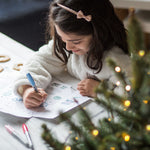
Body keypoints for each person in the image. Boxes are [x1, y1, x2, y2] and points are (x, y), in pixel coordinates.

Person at [13, 0, 131, 109]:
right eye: (62, 39)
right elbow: (39, 61)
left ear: (99, 33)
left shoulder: (116, 59)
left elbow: (134, 95)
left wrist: (100, 90)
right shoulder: (67, 45)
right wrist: (26, 88)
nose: (68, 47)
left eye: (76, 42)